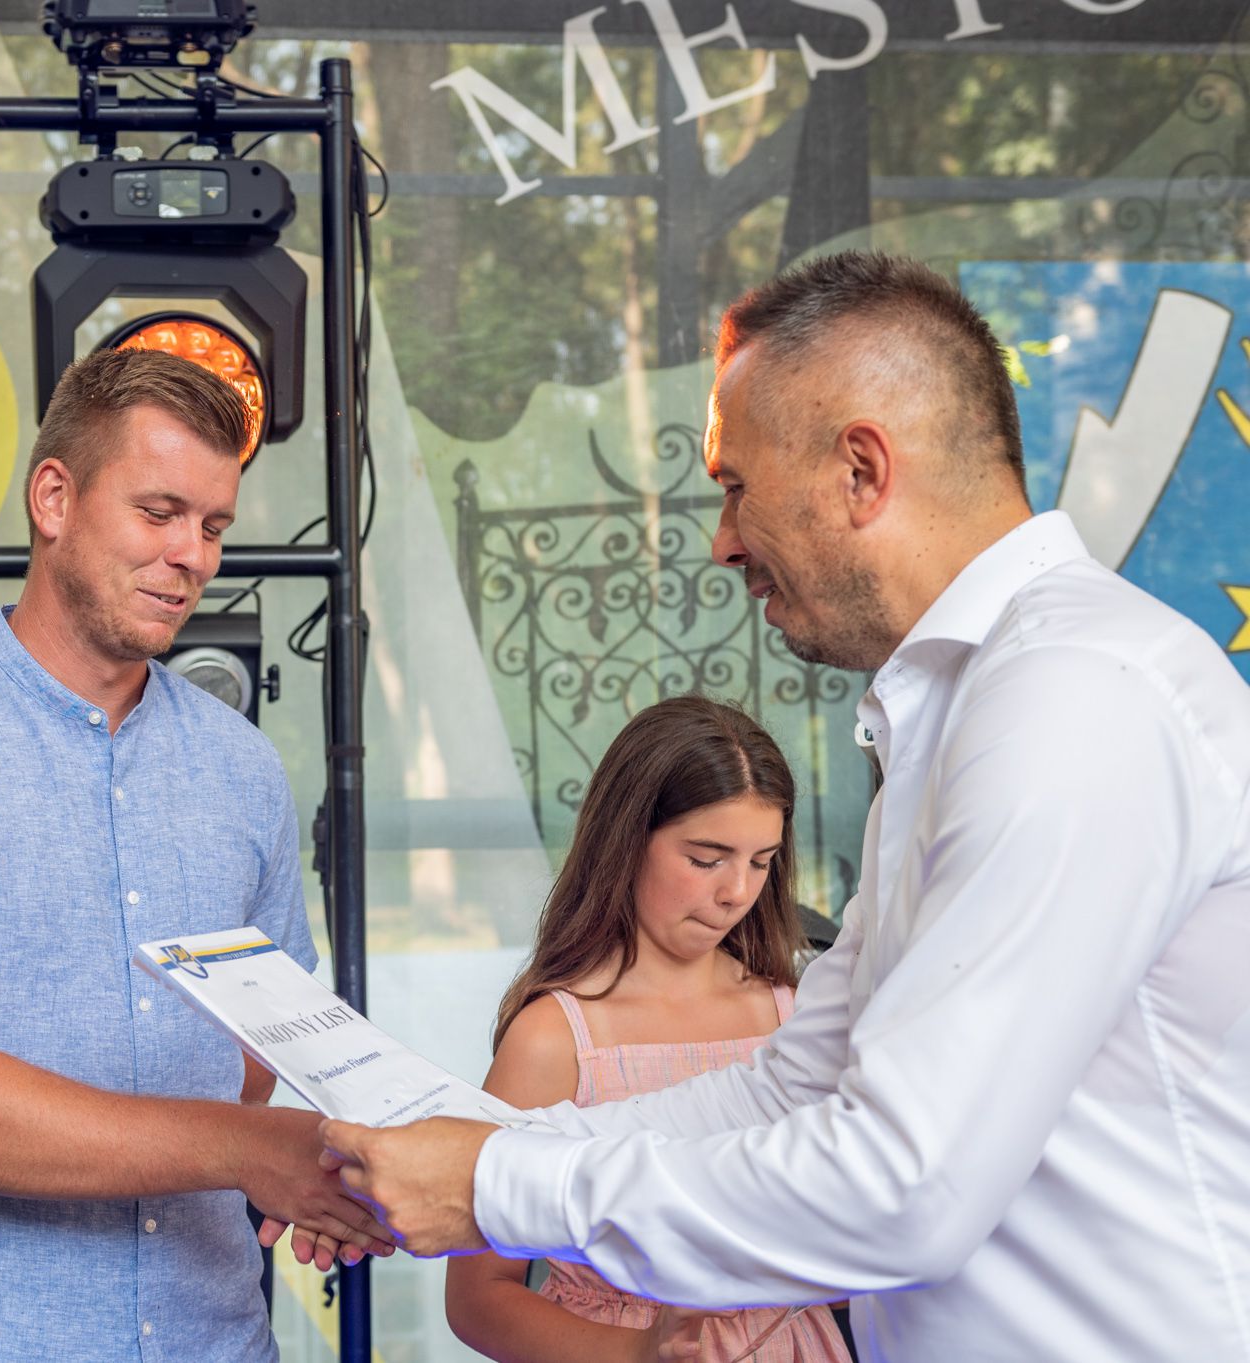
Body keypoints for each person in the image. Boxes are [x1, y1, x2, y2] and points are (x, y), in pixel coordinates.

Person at [322, 251, 1250, 1361]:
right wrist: (460, 1149)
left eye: (734, 486)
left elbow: (904, 1189)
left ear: (861, 469)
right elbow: (796, 1085)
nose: (721, 541)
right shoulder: (967, 709)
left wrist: (490, 1181)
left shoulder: (1073, 696)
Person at [0, 347, 389, 1363]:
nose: (192, 556)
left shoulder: (243, 769)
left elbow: (256, 1060)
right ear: (54, 499)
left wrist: (312, 1159)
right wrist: (248, 1150)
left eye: (213, 526)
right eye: (159, 512)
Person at [445, 697, 851, 1363]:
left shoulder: (795, 1014)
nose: (736, 891)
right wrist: (638, 1352)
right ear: (627, 840)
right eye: (707, 857)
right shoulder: (553, 1039)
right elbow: (477, 1297)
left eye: (761, 860)